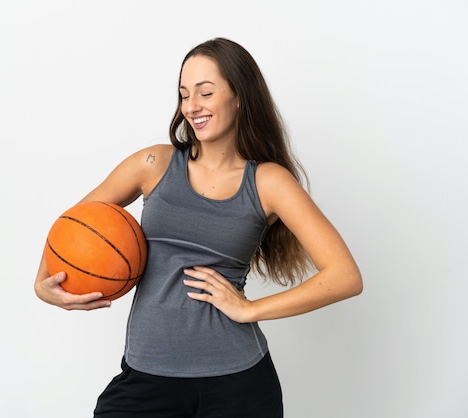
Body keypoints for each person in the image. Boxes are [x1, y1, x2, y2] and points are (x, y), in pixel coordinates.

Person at [34, 37, 363, 418]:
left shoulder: (269, 183)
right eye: (184, 94)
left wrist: (249, 309)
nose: (192, 107)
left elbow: (345, 276)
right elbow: (72, 225)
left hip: (238, 384)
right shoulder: (153, 164)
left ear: (239, 96)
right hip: (146, 377)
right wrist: (44, 284)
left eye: (205, 93)